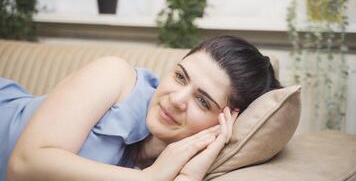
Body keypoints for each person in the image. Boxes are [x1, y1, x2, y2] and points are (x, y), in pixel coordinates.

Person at [0, 35, 281, 181]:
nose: (175, 99)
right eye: (180, 76)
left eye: (202, 100)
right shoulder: (115, 76)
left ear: (222, 124)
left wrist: (189, 174)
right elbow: (23, 166)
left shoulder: (172, 165)